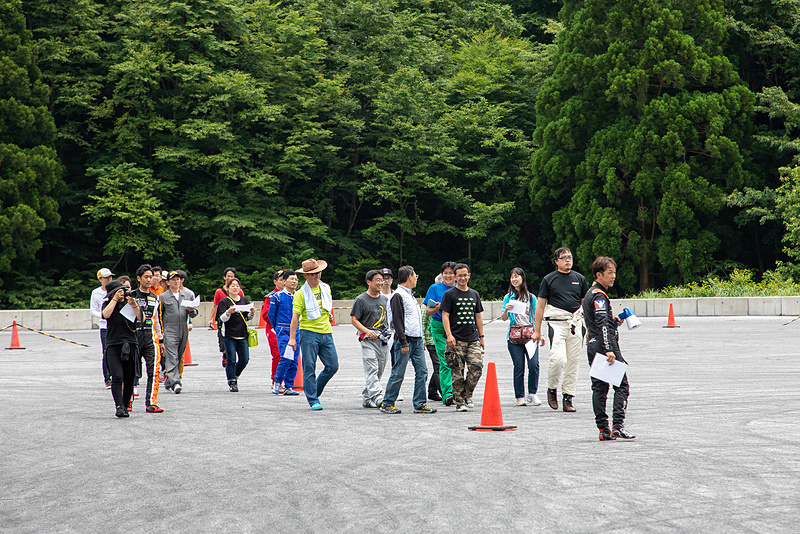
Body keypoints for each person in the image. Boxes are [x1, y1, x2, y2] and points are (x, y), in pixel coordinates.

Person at [583, 256, 635, 441]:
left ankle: (603, 429)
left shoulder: (590, 293)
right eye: (610, 273)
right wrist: (609, 349)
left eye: (614, 272)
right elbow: (602, 324)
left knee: (599, 388)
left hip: (592, 344)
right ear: (599, 274)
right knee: (622, 386)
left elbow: (600, 322)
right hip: (604, 346)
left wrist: (613, 322)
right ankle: (617, 426)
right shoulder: (599, 296)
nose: (613, 276)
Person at [532, 247, 589, 413]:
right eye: (564, 257)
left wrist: (590, 329)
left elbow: (585, 306)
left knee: (573, 363)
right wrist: (537, 331)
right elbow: (540, 307)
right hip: (556, 323)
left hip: (576, 323)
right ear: (556, 261)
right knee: (558, 359)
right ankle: (552, 388)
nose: (568, 260)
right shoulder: (549, 279)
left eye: (570, 257)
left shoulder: (579, 278)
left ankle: (568, 397)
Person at [380, 265, 437, 414]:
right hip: (404, 340)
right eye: (415, 275)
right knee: (398, 372)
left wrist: (421, 337)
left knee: (422, 371)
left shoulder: (409, 295)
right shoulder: (398, 295)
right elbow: (397, 321)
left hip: (417, 340)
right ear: (409, 277)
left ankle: (420, 403)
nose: (416, 278)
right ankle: (387, 403)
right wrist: (403, 341)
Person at [288, 258, 339, 411]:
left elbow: (325, 307)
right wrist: (292, 338)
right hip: (308, 333)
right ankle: (313, 399)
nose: (317, 276)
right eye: (313, 274)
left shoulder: (325, 288)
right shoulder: (300, 294)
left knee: (333, 366)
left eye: (319, 273)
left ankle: (314, 390)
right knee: (309, 367)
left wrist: (328, 316)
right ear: (305, 276)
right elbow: (295, 317)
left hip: (326, 332)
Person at [440, 263, 485, 412]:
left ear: (469, 276)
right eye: (459, 275)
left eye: (465, 275)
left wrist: (481, 336)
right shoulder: (449, 294)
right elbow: (445, 316)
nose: (462, 278)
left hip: (472, 338)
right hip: (456, 339)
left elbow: (478, 316)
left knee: (477, 367)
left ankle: (467, 394)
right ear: (454, 277)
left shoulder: (474, 294)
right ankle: (459, 402)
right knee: (457, 372)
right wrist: (449, 335)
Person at [102, 279, 143, 417]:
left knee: (129, 378)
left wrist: (134, 305)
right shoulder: (108, 304)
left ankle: (126, 405)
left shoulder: (129, 304)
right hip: (113, 344)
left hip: (130, 343)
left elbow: (141, 318)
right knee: (117, 376)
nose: (122, 294)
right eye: (119, 292)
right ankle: (119, 406)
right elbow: (105, 315)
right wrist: (114, 300)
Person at [501, 267, 541, 406]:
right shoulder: (508, 297)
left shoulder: (531, 298)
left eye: (517, 276)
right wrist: (506, 309)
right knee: (518, 367)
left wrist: (539, 334)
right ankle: (520, 396)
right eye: (512, 277)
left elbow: (537, 317)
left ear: (522, 278)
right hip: (514, 337)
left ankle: (532, 394)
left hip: (530, 336)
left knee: (534, 365)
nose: (514, 279)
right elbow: (503, 318)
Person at [350, 270, 390, 408]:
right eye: (377, 280)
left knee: (379, 370)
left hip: (383, 340)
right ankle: (378, 397)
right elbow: (354, 320)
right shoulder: (361, 300)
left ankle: (367, 398)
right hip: (367, 340)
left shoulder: (385, 299)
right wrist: (367, 331)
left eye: (382, 280)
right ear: (368, 282)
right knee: (371, 368)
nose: (381, 283)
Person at [130, 264, 165, 413]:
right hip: (134, 336)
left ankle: (151, 402)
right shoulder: (131, 296)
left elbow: (158, 321)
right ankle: (128, 401)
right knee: (130, 370)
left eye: (151, 277)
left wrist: (161, 340)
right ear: (139, 278)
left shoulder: (155, 297)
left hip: (151, 337)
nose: (150, 279)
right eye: (146, 277)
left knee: (154, 370)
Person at [424, 261, 457, 406]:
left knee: (458, 360)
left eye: (451, 273)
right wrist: (438, 308)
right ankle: (448, 394)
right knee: (445, 360)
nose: (448, 276)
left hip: (456, 327)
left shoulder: (460, 288)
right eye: (446, 273)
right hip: (438, 327)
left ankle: (459, 392)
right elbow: (428, 311)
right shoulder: (435, 288)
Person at [159, 271, 197, 393]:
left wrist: (192, 311)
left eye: (178, 279)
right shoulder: (163, 297)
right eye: (173, 279)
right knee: (172, 356)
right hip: (170, 329)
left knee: (180, 356)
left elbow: (194, 313)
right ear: (168, 282)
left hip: (183, 328)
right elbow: (160, 315)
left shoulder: (188, 294)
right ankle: (176, 382)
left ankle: (169, 380)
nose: (176, 281)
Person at [217, 278, 254, 392]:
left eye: (237, 286)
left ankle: (235, 374)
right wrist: (228, 312)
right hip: (229, 335)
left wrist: (251, 313)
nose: (235, 288)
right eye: (232, 286)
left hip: (242, 334)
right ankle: (232, 381)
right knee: (231, 359)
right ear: (227, 288)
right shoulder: (224, 302)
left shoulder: (244, 300)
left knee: (244, 359)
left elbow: (247, 317)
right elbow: (221, 319)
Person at [269, 270, 301, 396]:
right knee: (286, 357)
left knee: (294, 360)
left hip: (297, 330)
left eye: (296, 279)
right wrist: (278, 329)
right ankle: (277, 381)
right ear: (284, 281)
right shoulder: (277, 297)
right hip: (283, 330)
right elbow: (272, 316)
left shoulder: (299, 296)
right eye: (292, 279)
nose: (294, 281)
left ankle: (289, 385)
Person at [262, 270, 286, 391]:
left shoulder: (292, 295)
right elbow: (266, 315)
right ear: (275, 282)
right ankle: (276, 380)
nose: (283, 282)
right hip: (274, 329)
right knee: (278, 354)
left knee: (290, 355)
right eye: (281, 279)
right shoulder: (270, 297)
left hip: (288, 329)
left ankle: (288, 381)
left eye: (284, 279)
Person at [90, 268, 114, 389]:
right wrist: (103, 315)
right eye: (106, 278)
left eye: (110, 277)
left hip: (116, 325)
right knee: (106, 351)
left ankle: (116, 376)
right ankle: (107, 378)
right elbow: (93, 310)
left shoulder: (115, 290)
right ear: (100, 279)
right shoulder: (96, 293)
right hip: (105, 326)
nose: (109, 279)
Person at [210, 267, 238, 368]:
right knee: (222, 337)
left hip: (235, 319)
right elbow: (215, 305)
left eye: (232, 276)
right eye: (228, 276)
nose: (230, 278)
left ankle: (231, 355)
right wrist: (210, 319)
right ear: (224, 277)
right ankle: (225, 355)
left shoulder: (239, 290)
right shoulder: (219, 291)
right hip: (222, 318)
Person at [421, 281, 442, 402]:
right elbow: (422, 322)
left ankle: (432, 391)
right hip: (431, 340)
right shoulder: (427, 305)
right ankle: (444, 392)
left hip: (442, 338)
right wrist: (423, 339)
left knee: (439, 366)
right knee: (439, 365)